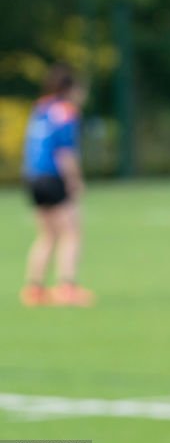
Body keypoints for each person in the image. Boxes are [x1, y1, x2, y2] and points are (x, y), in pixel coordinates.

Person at [21, 63, 94, 307]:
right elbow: (65, 151)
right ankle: (67, 287)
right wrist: (75, 180)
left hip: (33, 176)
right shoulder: (65, 111)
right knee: (71, 233)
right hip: (53, 177)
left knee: (47, 235)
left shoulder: (41, 108)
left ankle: (35, 289)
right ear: (70, 88)